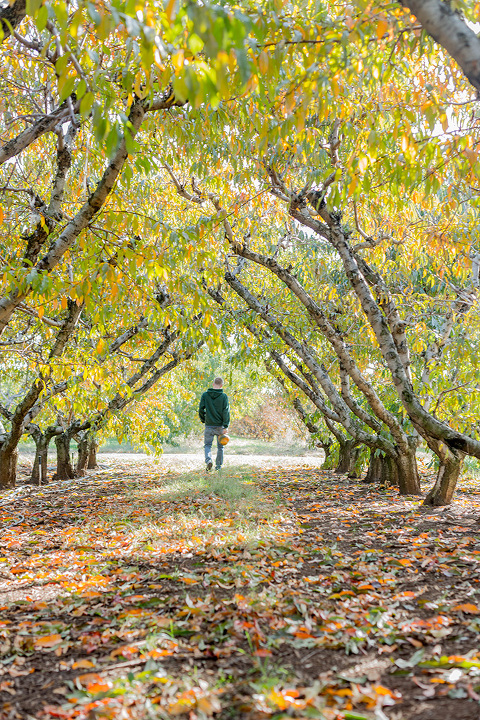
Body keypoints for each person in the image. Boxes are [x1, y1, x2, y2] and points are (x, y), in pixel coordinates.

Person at [199, 377, 230, 471]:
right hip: (220, 426)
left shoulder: (205, 395)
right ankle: (218, 467)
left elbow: (201, 409)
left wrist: (204, 419)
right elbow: (226, 411)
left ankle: (208, 461)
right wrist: (225, 425)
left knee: (207, 445)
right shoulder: (224, 396)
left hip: (209, 425)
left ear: (213, 384)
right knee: (220, 447)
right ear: (221, 385)